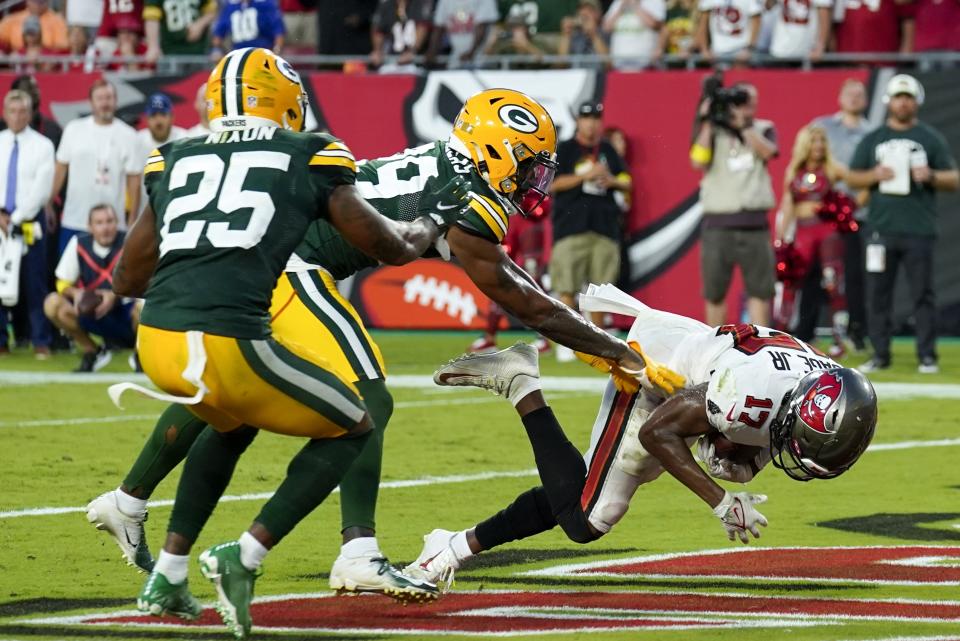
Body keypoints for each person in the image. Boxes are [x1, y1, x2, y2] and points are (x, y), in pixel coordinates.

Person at [87, 88, 659, 607]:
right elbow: (516, 295)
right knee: (367, 399)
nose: (535, 179)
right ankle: (357, 553)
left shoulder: (452, 168)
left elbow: (515, 283)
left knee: (230, 399)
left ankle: (129, 500)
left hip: (266, 256)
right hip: (293, 263)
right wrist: (613, 349)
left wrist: (595, 340)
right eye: (530, 163)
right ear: (496, 150)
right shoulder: (467, 188)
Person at [104, 48, 468, 639]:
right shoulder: (307, 151)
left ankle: (168, 575)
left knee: (233, 422)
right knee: (356, 420)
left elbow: (125, 279)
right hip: (231, 338)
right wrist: (430, 226)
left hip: (157, 341)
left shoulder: (171, 154)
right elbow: (389, 248)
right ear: (283, 103)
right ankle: (242, 557)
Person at [404, 283, 878, 587]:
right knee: (589, 516)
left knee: (583, 490)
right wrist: (720, 500)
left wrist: (739, 452)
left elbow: (762, 427)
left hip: (704, 365)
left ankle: (452, 546)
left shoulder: (820, 381)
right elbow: (658, 434)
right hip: (658, 367)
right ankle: (521, 383)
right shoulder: (748, 397)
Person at [846, 75, 959, 374]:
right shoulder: (874, 138)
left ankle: (927, 355)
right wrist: (874, 175)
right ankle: (881, 354)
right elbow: (852, 176)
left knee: (923, 293)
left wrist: (931, 176)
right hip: (881, 229)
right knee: (878, 294)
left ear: (916, 101)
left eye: (908, 97)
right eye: (898, 96)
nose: (903, 102)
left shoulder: (930, 137)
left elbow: (954, 178)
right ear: (890, 101)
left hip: (919, 229)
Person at [690, 82, 777, 327]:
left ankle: (762, 347)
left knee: (760, 291)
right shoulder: (712, 131)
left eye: (748, 103)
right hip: (718, 226)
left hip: (755, 224)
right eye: (739, 103)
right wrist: (708, 120)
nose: (744, 108)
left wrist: (744, 126)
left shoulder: (763, 127)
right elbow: (698, 160)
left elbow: (768, 152)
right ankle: (716, 346)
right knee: (714, 292)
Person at [774, 125, 859, 356]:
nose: (819, 146)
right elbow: (787, 206)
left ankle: (839, 341)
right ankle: (781, 336)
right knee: (790, 285)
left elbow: (859, 183)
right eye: (814, 141)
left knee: (834, 284)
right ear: (805, 145)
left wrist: (849, 208)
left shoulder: (832, 169)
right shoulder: (794, 171)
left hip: (827, 234)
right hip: (802, 235)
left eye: (822, 141)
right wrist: (781, 241)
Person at [549, 101, 630, 336]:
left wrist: (612, 180)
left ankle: (598, 340)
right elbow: (552, 184)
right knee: (566, 288)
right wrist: (583, 176)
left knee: (600, 293)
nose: (591, 124)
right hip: (570, 226)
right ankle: (566, 339)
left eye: (596, 119)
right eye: (586, 119)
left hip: (604, 227)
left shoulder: (607, 149)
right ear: (578, 121)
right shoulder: (565, 149)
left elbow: (627, 180)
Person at [810, 79, 871, 351]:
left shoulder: (873, 132)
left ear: (866, 100)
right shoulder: (822, 127)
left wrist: (853, 207)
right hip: (821, 217)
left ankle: (857, 333)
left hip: (856, 214)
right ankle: (805, 331)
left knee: (854, 276)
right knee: (813, 274)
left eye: (860, 94)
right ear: (839, 97)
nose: (855, 98)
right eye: (850, 93)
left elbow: (875, 177)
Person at [51, 79, 141, 253]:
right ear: (91, 102)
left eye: (108, 98)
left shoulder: (129, 135)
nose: (104, 103)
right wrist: (48, 202)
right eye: (100, 98)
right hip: (75, 219)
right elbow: (60, 170)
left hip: (113, 224)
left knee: (112, 279)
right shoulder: (73, 129)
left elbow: (134, 181)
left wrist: (132, 222)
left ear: (116, 101)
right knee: (68, 277)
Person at [44, 204, 136, 372]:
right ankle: (92, 351)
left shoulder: (130, 243)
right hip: (92, 314)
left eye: (109, 221)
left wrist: (115, 295)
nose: (105, 227)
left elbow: (146, 282)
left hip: (126, 315)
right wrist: (76, 293)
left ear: (117, 223)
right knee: (52, 303)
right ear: (90, 226)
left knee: (145, 306)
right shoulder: (79, 243)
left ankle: (141, 355)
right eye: (99, 223)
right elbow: (62, 283)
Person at [0, 89, 54, 358]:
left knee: (35, 284)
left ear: (31, 113)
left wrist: (17, 218)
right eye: (12, 111)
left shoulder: (43, 145)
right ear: (4, 113)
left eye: (23, 111)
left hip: (30, 222)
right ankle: (1, 342)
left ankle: (40, 340)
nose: (18, 116)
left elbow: (42, 190)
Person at [428, 0, 498, 68]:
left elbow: (482, 27)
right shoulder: (445, 1)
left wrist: (471, 52)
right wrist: (432, 51)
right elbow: (439, 28)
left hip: (482, 61)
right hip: (456, 59)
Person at [143, 0, 217, 63]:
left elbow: (211, 11)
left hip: (198, 49)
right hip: (170, 50)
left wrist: (200, 24)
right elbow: (151, 18)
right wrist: (153, 46)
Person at [833, 0, 915, 56]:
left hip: (882, 62)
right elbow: (833, 25)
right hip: (846, 62)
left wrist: (906, 52)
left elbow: (907, 18)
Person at [210, 0, 285, 59]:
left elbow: (278, 31)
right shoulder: (230, 6)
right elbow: (219, 33)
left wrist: (276, 52)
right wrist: (217, 50)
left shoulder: (265, 4)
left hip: (263, 53)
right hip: (238, 55)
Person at [602, 0, 665, 69]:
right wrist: (621, 7)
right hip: (619, 64)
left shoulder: (654, 1)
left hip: (645, 64)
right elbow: (606, 27)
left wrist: (635, 5)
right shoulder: (618, 2)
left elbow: (654, 24)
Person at [370, 0, 432, 71]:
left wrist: (412, 51)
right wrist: (378, 50)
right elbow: (378, 31)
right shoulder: (386, 6)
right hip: (392, 60)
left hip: (417, 61)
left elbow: (422, 28)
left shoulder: (418, 4)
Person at [693, 0, 761, 61]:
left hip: (741, 50)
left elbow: (756, 22)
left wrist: (749, 48)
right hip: (716, 52)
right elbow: (703, 24)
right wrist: (705, 49)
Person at [0, 0, 68, 53]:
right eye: (35, 1)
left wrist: (43, 53)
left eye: (42, 1)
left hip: (46, 64)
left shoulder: (58, 21)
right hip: (16, 64)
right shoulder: (11, 19)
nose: (38, 3)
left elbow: (62, 47)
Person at [557, 0, 609, 64]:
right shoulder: (574, 35)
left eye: (590, 10)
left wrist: (594, 36)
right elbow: (560, 65)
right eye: (581, 9)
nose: (584, 13)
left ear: (598, 14)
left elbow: (608, 65)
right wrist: (566, 35)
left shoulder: (606, 32)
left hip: (597, 73)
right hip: (576, 73)